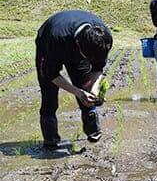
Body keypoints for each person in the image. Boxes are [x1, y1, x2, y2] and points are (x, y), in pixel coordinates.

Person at [35, 10, 113, 149]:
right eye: (88, 57)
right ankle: (50, 140)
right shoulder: (56, 38)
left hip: (77, 46)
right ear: (78, 45)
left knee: (86, 87)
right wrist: (78, 92)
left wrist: (93, 90)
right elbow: (52, 75)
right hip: (48, 43)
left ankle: (93, 132)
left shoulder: (103, 38)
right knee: (49, 95)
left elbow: (97, 68)